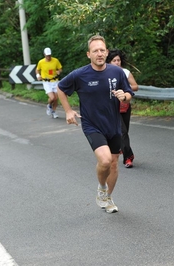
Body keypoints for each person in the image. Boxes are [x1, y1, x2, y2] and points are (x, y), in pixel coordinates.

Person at [57, 35, 134, 213]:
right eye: (95, 51)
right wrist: (68, 111)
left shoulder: (117, 72)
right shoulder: (80, 74)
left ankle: (108, 198)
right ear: (88, 54)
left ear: (106, 52)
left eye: (102, 50)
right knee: (105, 160)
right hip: (92, 125)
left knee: (114, 163)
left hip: (114, 124)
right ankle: (102, 186)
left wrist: (125, 97)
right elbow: (61, 88)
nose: (99, 53)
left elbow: (129, 93)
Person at [106, 49, 139, 168]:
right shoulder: (105, 73)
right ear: (109, 62)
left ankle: (122, 147)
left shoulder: (125, 72)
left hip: (125, 105)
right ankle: (128, 157)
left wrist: (125, 88)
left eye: (118, 60)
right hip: (111, 107)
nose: (117, 62)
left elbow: (135, 86)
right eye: (114, 60)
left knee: (125, 131)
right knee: (122, 132)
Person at [36, 47, 62, 118]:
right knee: (52, 97)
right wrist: (38, 75)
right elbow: (37, 70)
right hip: (46, 82)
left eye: (49, 55)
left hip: (55, 81)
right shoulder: (41, 62)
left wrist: (58, 71)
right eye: (47, 55)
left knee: (56, 98)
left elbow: (60, 69)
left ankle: (53, 111)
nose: (48, 57)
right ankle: (49, 106)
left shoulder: (55, 61)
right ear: (44, 55)